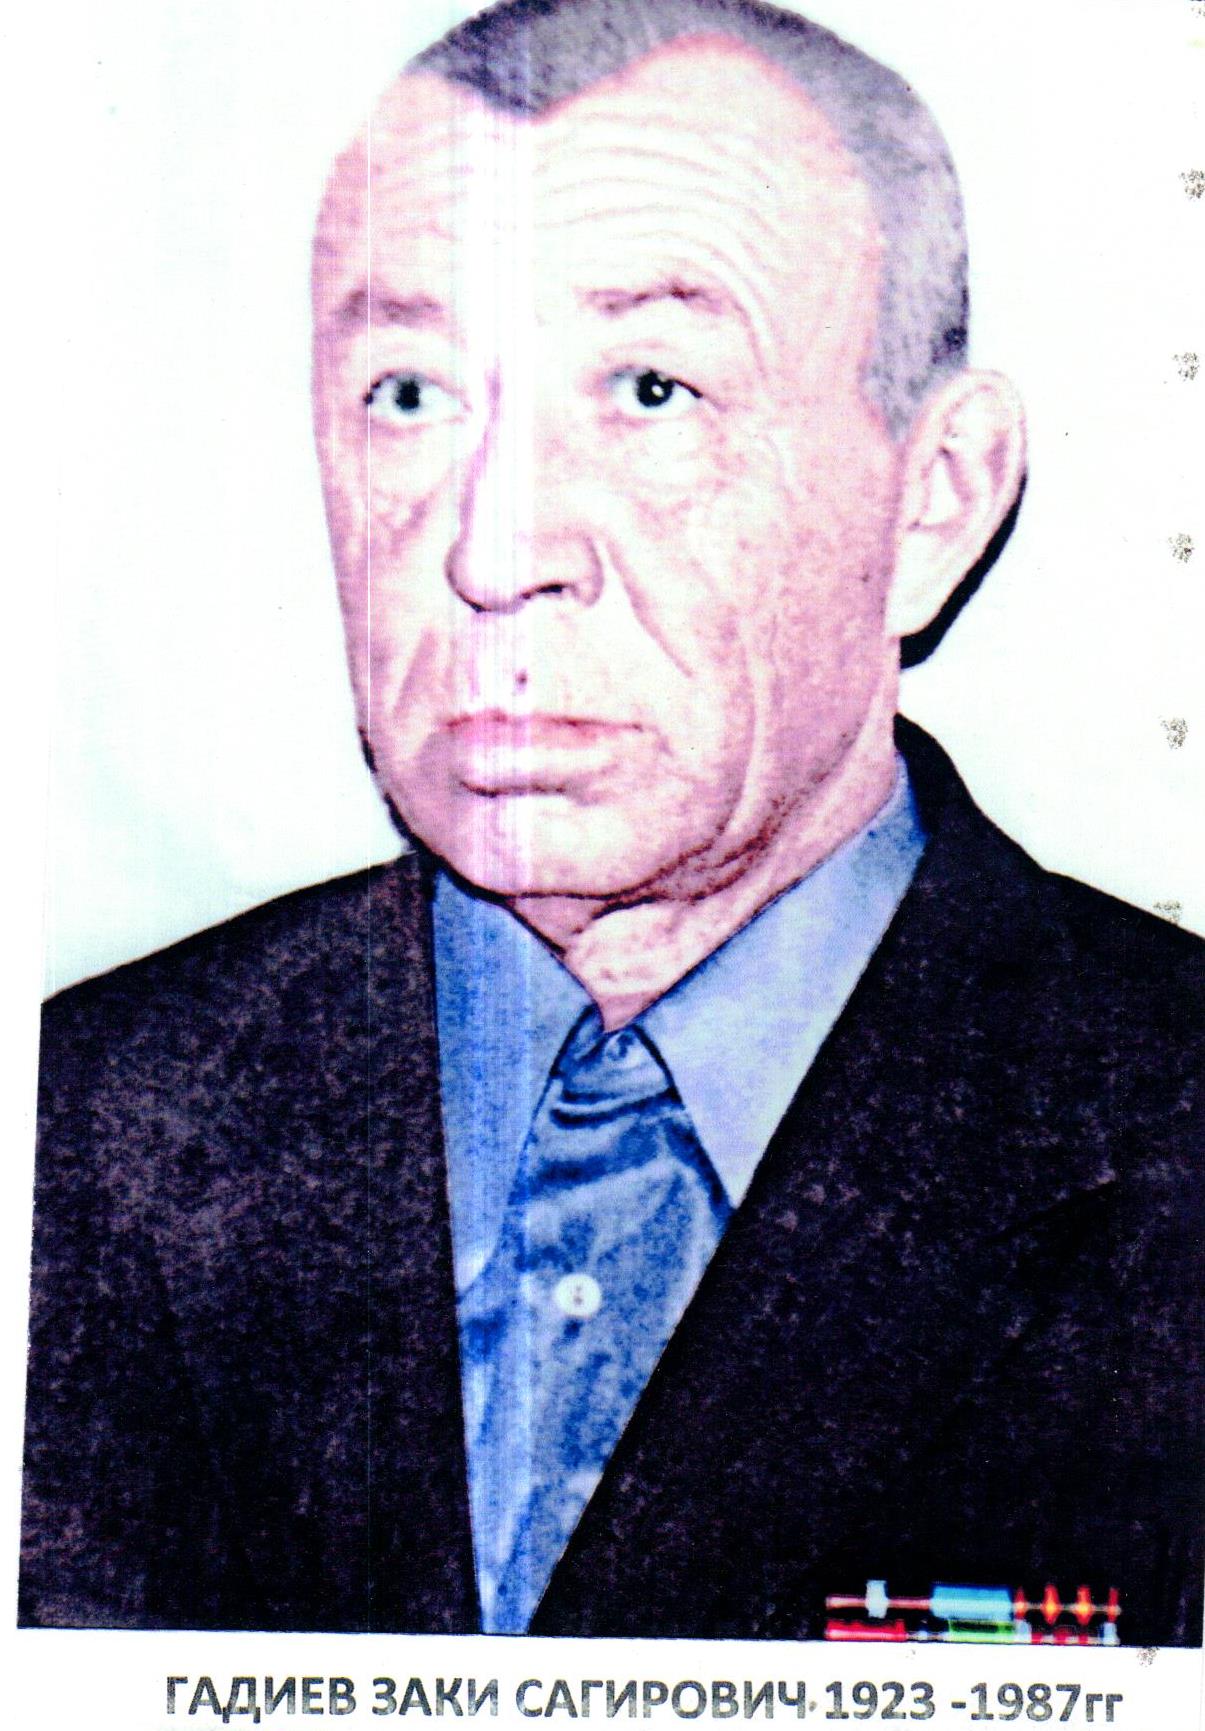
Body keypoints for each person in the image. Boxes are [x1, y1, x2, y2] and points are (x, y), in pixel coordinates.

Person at [20, 0, 1204, 1644]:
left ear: (930, 502)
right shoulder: (75, 1122)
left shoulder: (1162, 1124)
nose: (494, 551)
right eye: (409, 395)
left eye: (652, 389)